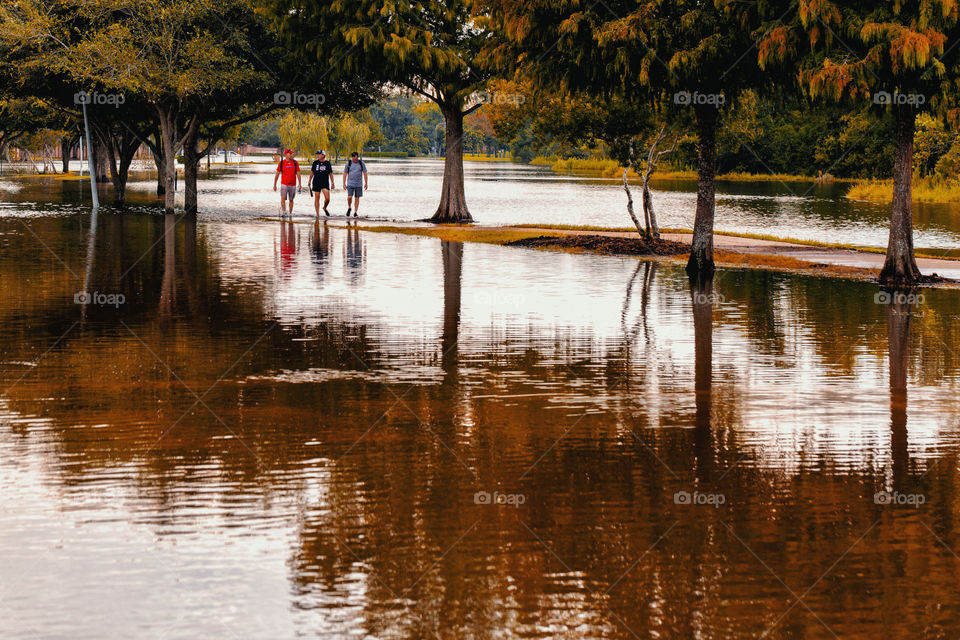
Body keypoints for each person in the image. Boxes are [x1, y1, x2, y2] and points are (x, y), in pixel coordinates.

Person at [273, 149, 302, 216]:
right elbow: (277, 174)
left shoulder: (295, 162)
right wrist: (275, 185)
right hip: (284, 184)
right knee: (283, 199)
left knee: (291, 200)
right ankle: (284, 212)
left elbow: (298, 173)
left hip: (293, 185)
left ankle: (290, 214)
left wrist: (300, 184)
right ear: (286, 154)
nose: (292, 155)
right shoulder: (281, 163)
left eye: (292, 153)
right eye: (290, 153)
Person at [342, 152, 368, 217]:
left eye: (357, 158)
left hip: (359, 184)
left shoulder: (361, 163)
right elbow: (345, 173)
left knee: (357, 198)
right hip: (350, 183)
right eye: (354, 158)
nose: (356, 159)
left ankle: (355, 212)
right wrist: (344, 183)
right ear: (352, 157)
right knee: (349, 197)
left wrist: (366, 183)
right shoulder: (348, 163)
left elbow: (365, 173)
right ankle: (349, 207)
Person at [310, 150, 334, 216]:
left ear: (323, 155)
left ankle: (325, 207)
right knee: (317, 197)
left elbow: (330, 173)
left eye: (319, 154)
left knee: (327, 198)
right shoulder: (315, 163)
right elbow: (312, 172)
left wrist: (332, 183)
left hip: (325, 182)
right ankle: (317, 214)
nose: (318, 155)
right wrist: (309, 181)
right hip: (316, 182)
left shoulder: (327, 163)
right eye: (317, 154)